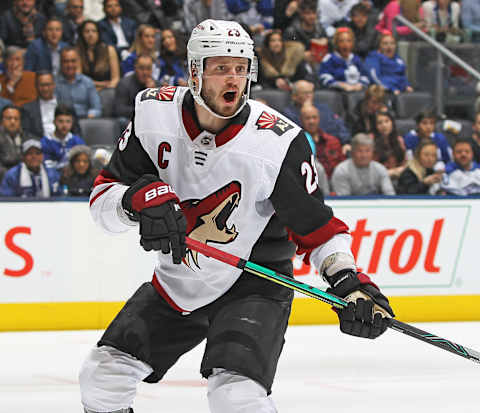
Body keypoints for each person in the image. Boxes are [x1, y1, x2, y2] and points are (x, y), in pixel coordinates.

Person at [79, 19, 394, 413]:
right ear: (194, 71)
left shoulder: (278, 142)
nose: (234, 79)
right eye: (220, 68)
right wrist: (134, 202)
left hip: (256, 283)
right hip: (180, 283)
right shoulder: (152, 114)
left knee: (235, 396)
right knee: (101, 378)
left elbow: (319, 231)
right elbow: (102, 201)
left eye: (241, 68)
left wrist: (350, 282)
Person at [282, 79, 352, 147]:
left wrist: (345, 143)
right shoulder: (288, 114)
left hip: (329, 146)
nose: (309, 96)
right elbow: (296, 134)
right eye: (305, 93)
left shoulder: (323, 108)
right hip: (304, 148)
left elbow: (339, 125)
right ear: (294, 96)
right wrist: (305, 111)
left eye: (311, 92)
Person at [331, 132, 396, 195]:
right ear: (352, 152)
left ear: (373, 152)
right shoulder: (342, 171)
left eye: (367, 151)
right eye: (360, 151)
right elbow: (343, 201)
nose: (364, 155)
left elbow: (390, 196)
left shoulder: (380, 169)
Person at [300, 104, 346, 178]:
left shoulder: (333, 141)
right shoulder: (298, 143)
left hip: (335, 181)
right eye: (307, 118)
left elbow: (343, 165)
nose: (311, 121)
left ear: (319, 119)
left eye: (314, 117)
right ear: (301, 120)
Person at [318, 27, 370, 92]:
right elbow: (324, 76)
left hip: (356, 93)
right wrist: (339, 84)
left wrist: (360, 84)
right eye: (341, 41)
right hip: (336, 94)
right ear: (336, 43)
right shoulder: (329, 59)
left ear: (352, 43)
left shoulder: (357, 59)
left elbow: (365, 76)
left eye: (348, 41)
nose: (345, 44)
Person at [56, 47, 102, 118]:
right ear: (61, 63)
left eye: (73, 61)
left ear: (77, 62)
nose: (70, 65)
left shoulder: (87, 82)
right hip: (63, 123)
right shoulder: (54, 84)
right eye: (66, 61)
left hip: (85, 121)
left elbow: (97, 109)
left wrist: (89, 116)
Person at [76, 20, 120, 92]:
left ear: (98, 33)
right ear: (82, 34)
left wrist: (101, 88)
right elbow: (78, 78)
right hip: (85, 90)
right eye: (87, 31)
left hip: (108, 89)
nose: (90, 34)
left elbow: (115, 79)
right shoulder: (78, 51)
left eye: (94, 31)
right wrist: (101, 84)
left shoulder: (109, 50)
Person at [41, 103, 86, 170]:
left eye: (68, 121)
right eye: (60, 121)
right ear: (54, 122)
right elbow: (47, 167)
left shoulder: (78, 141)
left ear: (72, 123)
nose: (64, 125)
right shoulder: (45, 142)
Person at [114, 54, 158, 120]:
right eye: (141, 68)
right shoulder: (124, 84)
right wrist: (142, 111)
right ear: (135, 68)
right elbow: (119, 110)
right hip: (130, 120)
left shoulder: (156, 85)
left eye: (148, 68)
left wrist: (152, 93)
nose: (145, 72)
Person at [283, 0, 328, 65]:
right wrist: (301, 56)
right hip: (298, 66)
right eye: (308, 13)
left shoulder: (320, 29)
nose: (312, 16)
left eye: (314, 13)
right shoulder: (292, 32)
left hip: (319, 64)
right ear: (301, 14)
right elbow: (286, 53)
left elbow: (330, 50)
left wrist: (326, 43)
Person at [0, 105, 38, 181]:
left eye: (16, 119)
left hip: (27, 179)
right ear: (1, 121)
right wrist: (14, 175)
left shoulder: (28, 138)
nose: (12, 122)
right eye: (9, 118)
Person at [371, 109, 406, 181]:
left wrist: (399, 170)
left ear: (392, 123)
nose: (384, 125)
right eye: (379, 123)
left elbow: (404, 163)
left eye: (387, 121)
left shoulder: (399, 140)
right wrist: (389, 173)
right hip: (377, 179)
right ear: (375, 126)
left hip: (397, 177)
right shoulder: (370, 141)